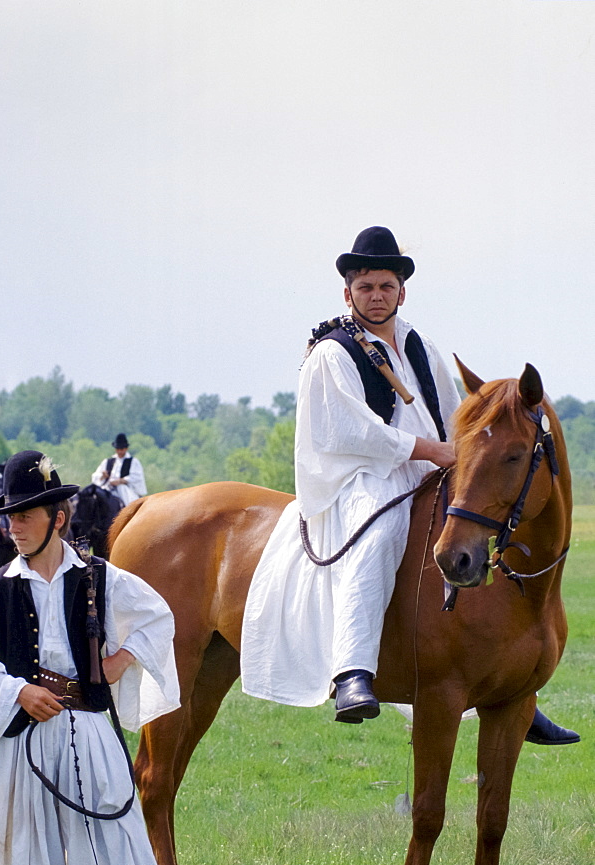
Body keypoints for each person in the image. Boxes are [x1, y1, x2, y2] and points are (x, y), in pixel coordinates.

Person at [241, 226, 579, 747]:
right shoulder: (332, 353)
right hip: (360, 480)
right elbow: (349, 431)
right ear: (347, 292)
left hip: (426, 472)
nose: (376, 296)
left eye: (385, 286)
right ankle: (353, 670)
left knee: (481, 532)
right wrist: (430, 450)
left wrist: (463, 454)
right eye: (365, 287)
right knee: (375, 539)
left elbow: (452, 415)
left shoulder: (420, 345)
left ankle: (514, 686)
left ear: (402, 290)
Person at [0, 451, 211, 865]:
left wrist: (119, 659)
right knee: (39, 839)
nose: (13, 527)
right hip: (28, 740)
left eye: (25, 515)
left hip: (87, 725)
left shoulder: (97, 577)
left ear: (57, 517)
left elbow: (159, 617)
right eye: (9, 517)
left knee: (122, 830)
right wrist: (18, 692)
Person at [91, 433, 147, 507]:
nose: (119, 451)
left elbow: (136, 477)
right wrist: (103, 476)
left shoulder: (133, 462)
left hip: (124, 490)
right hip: (108, 487)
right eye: (117, 449)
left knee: (123, 490)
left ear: (126, 448)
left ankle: (129, 511)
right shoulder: (108, 461)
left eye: (121, 449)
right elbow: (96, 476)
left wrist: (121, 481)